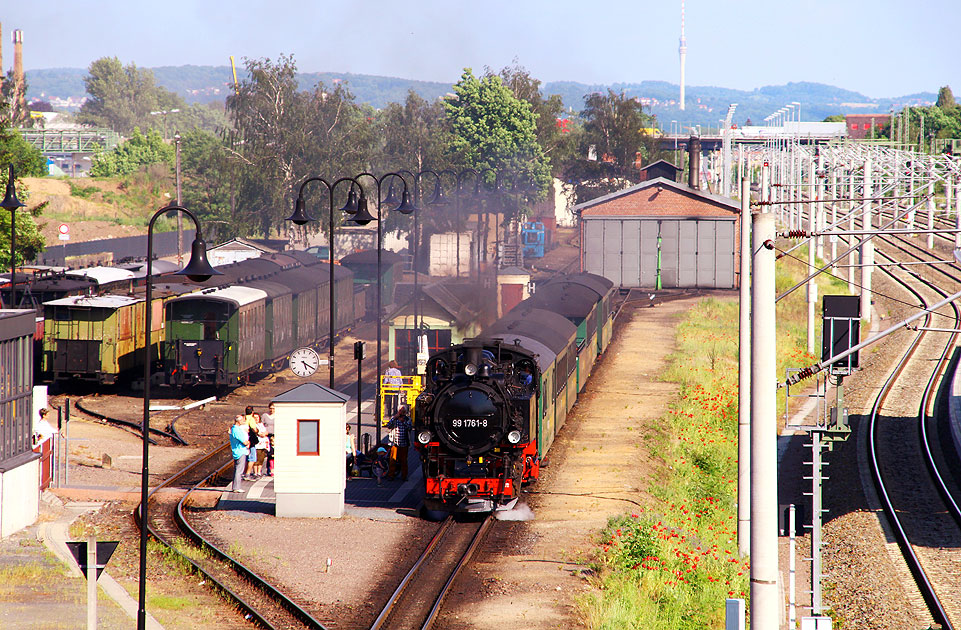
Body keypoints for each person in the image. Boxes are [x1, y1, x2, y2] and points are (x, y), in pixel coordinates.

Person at [385, 405, 412, 481]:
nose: (401, 412)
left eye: (403, 411)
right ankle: (391, 475)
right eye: (400, 410)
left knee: (404, 461)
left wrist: (404, 422)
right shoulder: (395, 419)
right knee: (392, 460)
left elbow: (410, 428)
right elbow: (388, 426)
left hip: (404, 443)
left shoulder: (407, 419)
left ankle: (404, 476)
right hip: (395, 443)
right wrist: (394, 418)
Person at [229, 415, 250, 493]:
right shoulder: (237, 430)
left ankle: (235, 486)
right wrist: (247, 442)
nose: (243, 422)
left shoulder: (233, 429)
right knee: (239, 470)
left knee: (237, 469)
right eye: (242, 420)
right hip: (240, 451)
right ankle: (236, 487)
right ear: (238, 421)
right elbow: (244, 442)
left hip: (237, 451)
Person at [262, 403, 276, 477]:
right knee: (269, 453)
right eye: (271, 408)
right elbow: (261, 424)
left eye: (273, 408)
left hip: (275, 436)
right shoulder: (265, 416)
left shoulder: (278, 415)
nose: (272, 410)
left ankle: (274, 469)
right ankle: (269, 469)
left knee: (274, 453)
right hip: (267, 436)